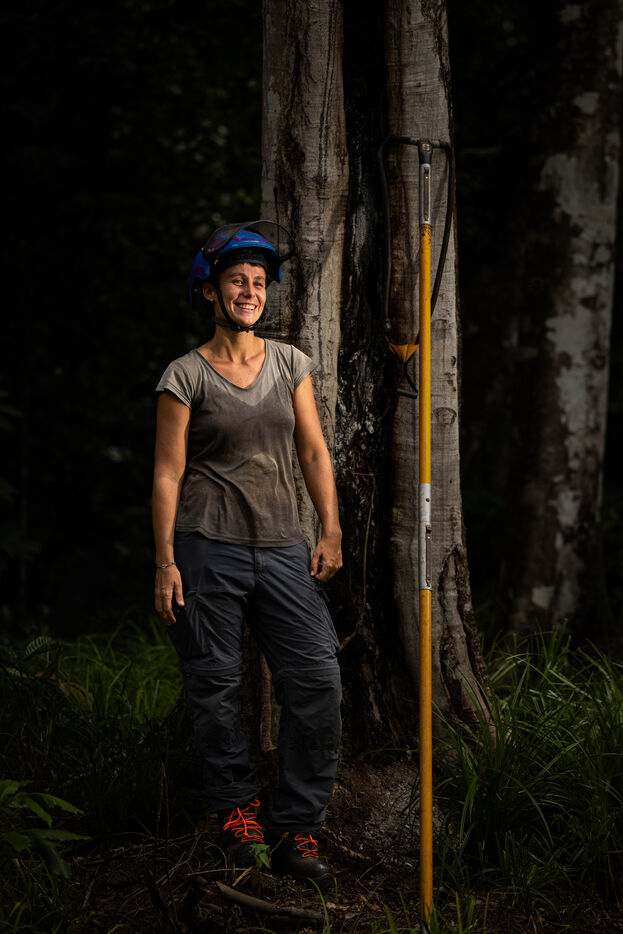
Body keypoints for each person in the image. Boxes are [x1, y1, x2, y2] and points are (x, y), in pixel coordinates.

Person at [152, 220, 343, 890]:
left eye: (259, 282)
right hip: (206, 548)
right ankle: (238, 815)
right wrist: (165, 561)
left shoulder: (289, 363)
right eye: (237, 280)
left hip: (286, 547)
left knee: (317, 680)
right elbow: (167, 473)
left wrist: (330, 530)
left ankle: (297, 827)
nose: (250, 291)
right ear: (209, 291)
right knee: (214, 688)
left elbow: (313, 450)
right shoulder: (184, 375)